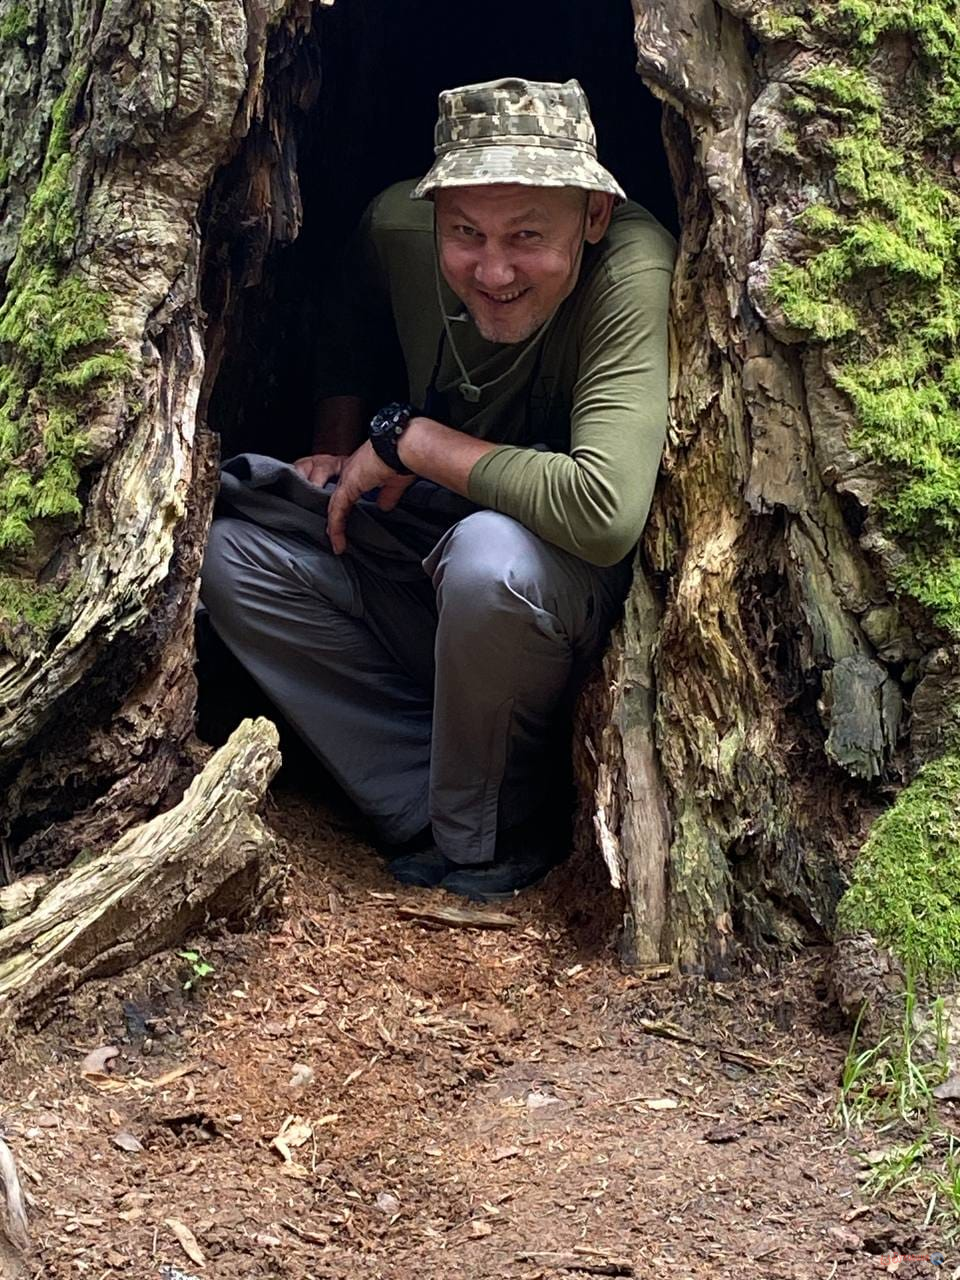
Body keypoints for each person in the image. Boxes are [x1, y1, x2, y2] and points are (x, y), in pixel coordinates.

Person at [200, 77, 675, 900]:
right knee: (225, 553)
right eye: (465, 232)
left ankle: (491, 830)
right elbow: (348, 307)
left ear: (594, 216)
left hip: (555, 592)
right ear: (436, 213)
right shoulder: (400, 228)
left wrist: (411, 442)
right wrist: (335, 443)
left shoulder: (632, 267)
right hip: (423, 557)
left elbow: (604, 511)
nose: (493, 269)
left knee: (490, 561)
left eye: (528, 235)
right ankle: (437, 788)